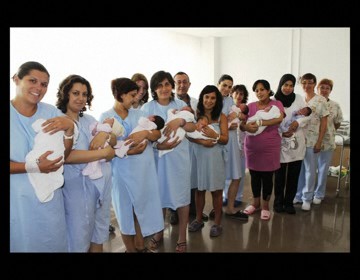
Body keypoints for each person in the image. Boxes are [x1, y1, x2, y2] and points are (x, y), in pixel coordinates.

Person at [10, 61, 76, 252]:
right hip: (18, 203)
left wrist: (70, 129)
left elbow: (65, 152)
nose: (39, 88)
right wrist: (33, 167)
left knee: (52, 243)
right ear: (16, 79)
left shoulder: (51, 113)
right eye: (33, 80)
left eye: (44, 84)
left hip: (49, 201)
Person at [101, 77, 164, 253]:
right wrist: (128, 151)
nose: (135, 99)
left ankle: (140, 245)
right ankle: (131, 249)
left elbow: (157, 134)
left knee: (140, 209)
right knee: (124, 212)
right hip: (120, 173)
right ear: (120, 95)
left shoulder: (139, 114)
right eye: (132, 95)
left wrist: (145, 133)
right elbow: (105, 147)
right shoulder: (106, 117)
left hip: (142, 172)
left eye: (136, 95)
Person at [56, 74, 116, 252]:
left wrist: (104, 134)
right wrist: (102, 153)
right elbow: (65, 156)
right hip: (75, 191)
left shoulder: (89, 120)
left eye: (84, 94)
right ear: (65, 94)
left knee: (98, 234)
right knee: (78, 238)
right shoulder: (58, 120)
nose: (81, 98)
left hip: (99, 189)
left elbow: (113, 142)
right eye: (76, 93)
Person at [142, 70, 196, 252]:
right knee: (159, 197)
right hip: (157, 160)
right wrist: (158, 147)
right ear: (154, 89)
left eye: (166, 84)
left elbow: (192, 126)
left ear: (171, 86)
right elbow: (144, 135)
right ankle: (158, 232)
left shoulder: (180, 104)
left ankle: (182, 235)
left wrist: (180, 121)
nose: (164, 88)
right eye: (159, 85)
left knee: (182, 198)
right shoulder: (147, 109)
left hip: (179, 160)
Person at [187, 85, 229, 237]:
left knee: (216, 191)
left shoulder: (221, 117)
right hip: (198, 156)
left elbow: (225, 139)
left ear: (217, 100)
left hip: (215, 158)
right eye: (206, 97)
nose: (209, 101)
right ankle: (198, 219)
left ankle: (217, 223)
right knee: (199, 190)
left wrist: (214, 135)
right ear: (202, 98)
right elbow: (187, 134)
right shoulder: (195, 114)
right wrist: (202, 142)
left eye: (213, 98)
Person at [241, 79, 284, 221]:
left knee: (267, 178)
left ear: (268, 90)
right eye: (257, 90)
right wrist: (246, 127)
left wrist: (260, 122)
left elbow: (279, 119)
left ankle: (265, 207)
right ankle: (255, 204)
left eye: (262, 89)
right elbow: (242, 123)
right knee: (254, 177)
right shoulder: (251, 106)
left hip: (270, 148)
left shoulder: (276, 104)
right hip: (252, 148)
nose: (259, 92)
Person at [171, 71, 207, 225]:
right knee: (176, 179)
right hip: (176, 147)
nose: (181, 85)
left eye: (184, 82)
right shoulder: (170, 104)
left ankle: (193, 210)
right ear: (174, 85)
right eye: (178, 82)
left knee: (191, 177)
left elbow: (201, 119)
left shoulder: (195, 102)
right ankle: (174, 212)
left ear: (189, 84)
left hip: (194, 145)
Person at [273, 74, 311, 214]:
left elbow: (308, 116)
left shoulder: (299, 99)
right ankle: (278, 202)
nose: (288, 88)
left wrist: (297, 122)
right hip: (281, 142)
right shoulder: (274, 101)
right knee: (279, 176)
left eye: (291, 85)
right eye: (285, 85)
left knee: (294, 175)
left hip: (297, 141)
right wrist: (282, 133)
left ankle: (289, 203)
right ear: (280, 84)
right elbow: (271, 122)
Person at [295, 73, 329, 211]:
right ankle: (297, 195)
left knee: (310, 170)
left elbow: (324, 122)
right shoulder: (300, 99)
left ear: (315, 84)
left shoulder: (321, 100)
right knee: (299, 170)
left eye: (310, 82)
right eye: (304, 82)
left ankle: (307, 198)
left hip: (312, 141)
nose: (307, 85)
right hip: (299, 140)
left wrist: (319, 142)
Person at [215, 75, 248, 221]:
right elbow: (209, 122)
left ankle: (230, 208)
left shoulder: (229, 100)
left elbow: (238, 115)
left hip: (232, 141)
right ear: (218, 84)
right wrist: (228, 125)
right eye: (224, 85)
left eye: (230, 86)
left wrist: (238, 116)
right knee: (217, 177)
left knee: (236, 175)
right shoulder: (211, 98)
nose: (227, 89)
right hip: (218, 141)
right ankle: (216, 211)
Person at [313, 78, 343, 204]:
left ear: (330, 90)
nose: (324, 90)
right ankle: (307, 192)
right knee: (310, 169)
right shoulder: (312, 103)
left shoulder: (335, 105)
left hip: (328, 141)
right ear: (317, 88)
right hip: (312, 141)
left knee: (323, 169)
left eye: (327, 88)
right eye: (322, 87)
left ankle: (319, 194)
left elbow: (337, 123)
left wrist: (329, 131)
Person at [223, 85, 249, 208]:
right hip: (227, 143)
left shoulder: (245, 110)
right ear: (232, 94)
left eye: (241, 94)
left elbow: (246, 123)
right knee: (227, 172)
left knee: (239, 174)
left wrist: (239, 116)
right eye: (236, 93)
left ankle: (237, 197)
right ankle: (226, 196)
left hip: (241, 146)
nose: (238, 96)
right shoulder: (227, 107)